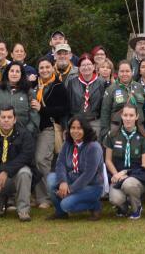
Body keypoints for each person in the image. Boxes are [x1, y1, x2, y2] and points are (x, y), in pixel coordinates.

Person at [104, 103, 145, 219]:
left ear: (137, 117)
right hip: (117, 177)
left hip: (137, 178)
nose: (128, 118)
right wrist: (116, 174)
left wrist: (125, 173)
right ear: (121, 116)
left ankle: (137, 208)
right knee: (115, 199)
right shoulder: (112, 135)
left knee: (128, 184)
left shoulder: (143, 138)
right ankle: (123, 208)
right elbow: (108, 160)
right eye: (125, 115)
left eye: (131, 115)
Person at [30, 58, 69, 208]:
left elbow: (64, 109)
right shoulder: (34, 85)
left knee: (41, 160)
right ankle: (35, 195)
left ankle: (45, 197)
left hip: (49, 128)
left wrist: (43, 109)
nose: (44, 70)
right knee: (33, 161)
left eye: (47, 67)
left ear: (52, 68)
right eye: (41, 68)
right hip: (33, 129)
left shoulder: (58, 86)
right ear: (38, 70)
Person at [48, 115, 104, 220]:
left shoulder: (93, 147)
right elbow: (60, 163)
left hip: (92, 186)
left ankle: (95, 205)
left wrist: (70, 189)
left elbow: (88, 174)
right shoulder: (68, 143)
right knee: (51, 179)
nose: (75, 131)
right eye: (73, 128)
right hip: (72, 178)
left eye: (79, 128)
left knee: (66, 204)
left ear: (85, 129)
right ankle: (61, 213)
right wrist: (63, 182)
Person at [0, 61, 38, 136]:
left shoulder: (29, 91)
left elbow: (34, 115)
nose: (14, 74)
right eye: (12, 71)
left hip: (21, 136)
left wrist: (27, 132)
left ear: (22, 74)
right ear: (7, 73)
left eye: (17, 71)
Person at [99, 59, 145, 137]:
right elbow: (105, 112)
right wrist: (105, 132)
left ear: (132, 72)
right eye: (122, 71)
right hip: (117, 129)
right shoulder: (111, 89)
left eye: (127, 71)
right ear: (118, 73)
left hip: (138, 129)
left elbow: (144, 109)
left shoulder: (139, 87)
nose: (124, 74)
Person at [66, 54, 105, 135]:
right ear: (79, 68)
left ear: (94, 66)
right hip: (76, 122)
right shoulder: (72, 82)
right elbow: (67, 103)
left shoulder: (102, 82)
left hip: (95, 122)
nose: (86, 67)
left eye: (89, 64)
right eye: (83, 65)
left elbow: (104, 105)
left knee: (93, 146)